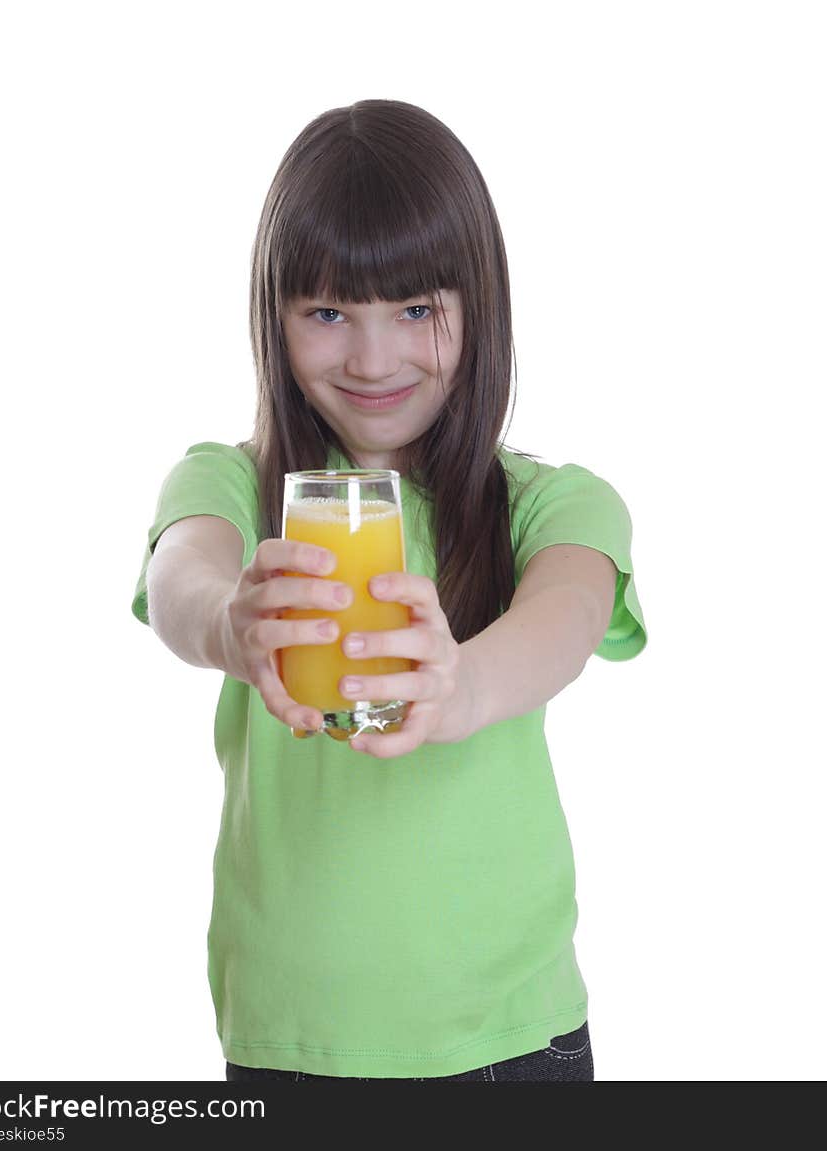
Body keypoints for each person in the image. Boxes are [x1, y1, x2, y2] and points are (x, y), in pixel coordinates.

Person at [131, 99, 647, 1083]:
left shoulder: (550, 501)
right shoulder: (233, 484)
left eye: (416, 308)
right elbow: (179, 578)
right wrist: (230, 623)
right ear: (273, 315)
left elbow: (566, 616)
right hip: (284, 1044)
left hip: (510, 1045)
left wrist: (461, 686)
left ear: (477, 307)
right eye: (327, 311)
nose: (372, 360)